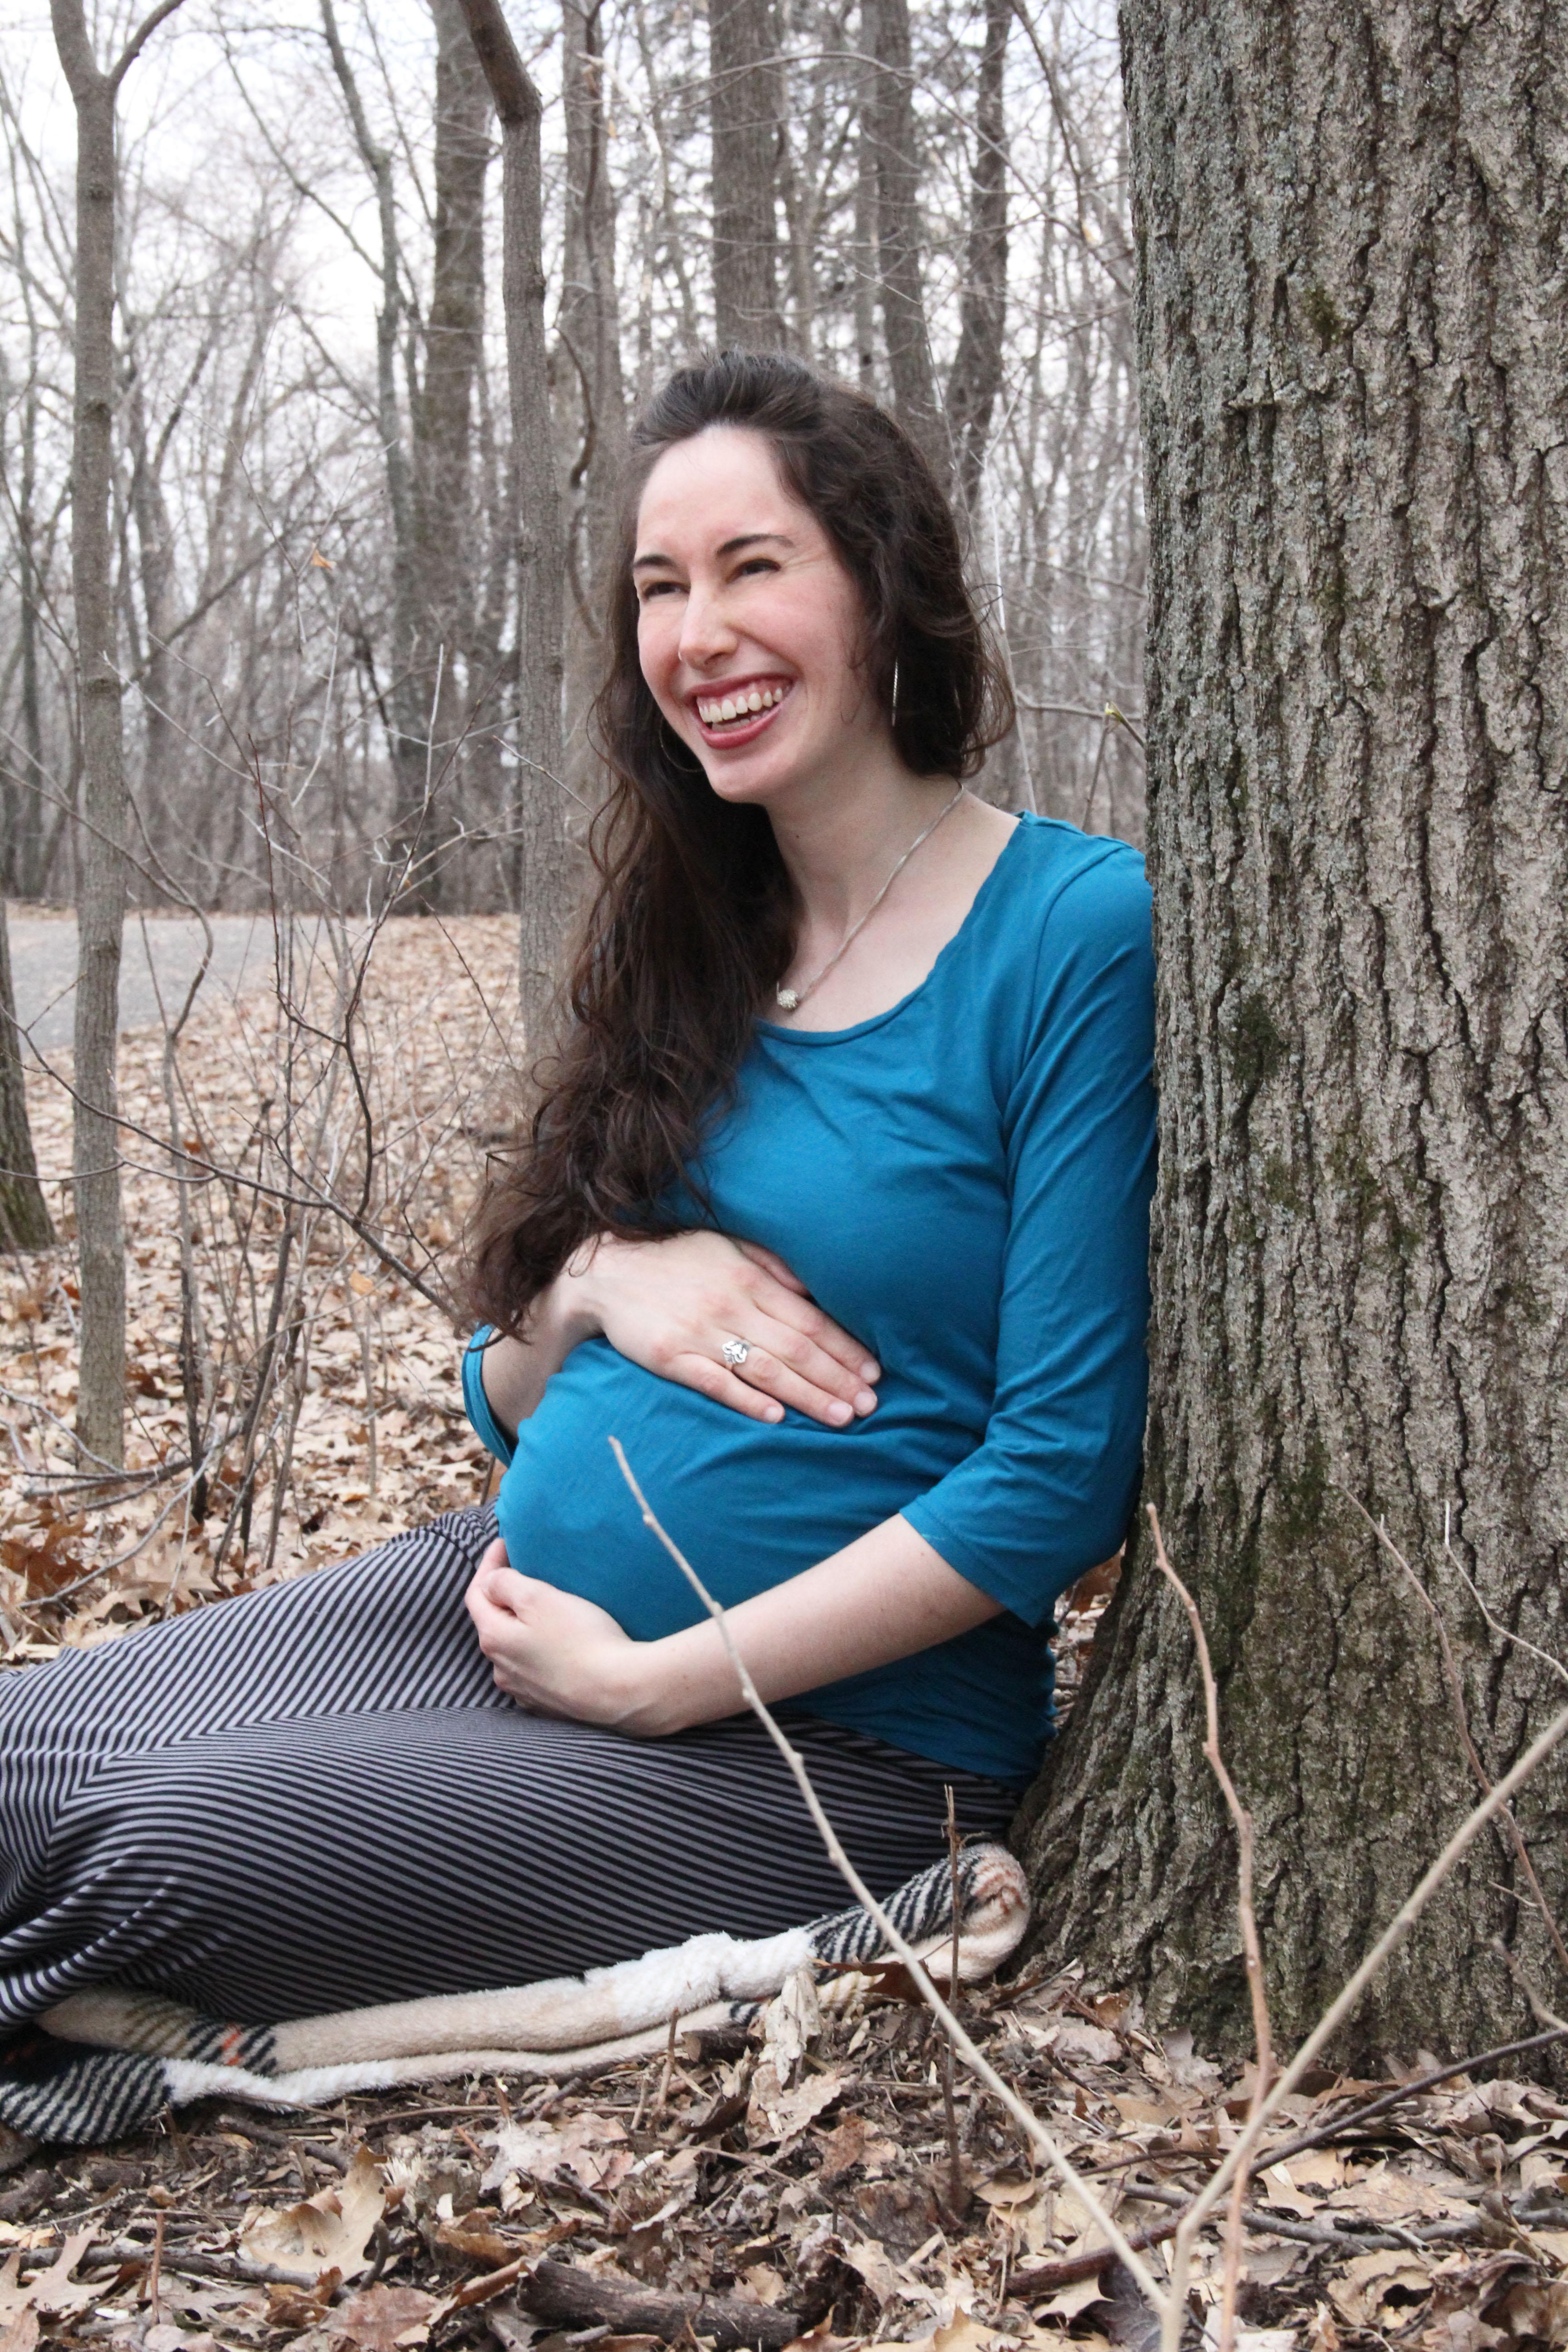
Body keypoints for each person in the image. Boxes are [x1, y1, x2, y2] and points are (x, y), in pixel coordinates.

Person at [0, 352, 1155, 2032]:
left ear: (884, 582)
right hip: (497, 1609)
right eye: (660, 588)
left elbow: (1057, 1479)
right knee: (19, 1758)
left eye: (754, 567)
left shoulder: (1070, 932)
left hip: (817, 1751)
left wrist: (654, 1685)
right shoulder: (699, 930)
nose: (700, 635)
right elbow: (507, 1390)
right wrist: (604, 1283)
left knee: (136, 1852)